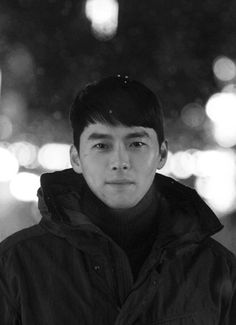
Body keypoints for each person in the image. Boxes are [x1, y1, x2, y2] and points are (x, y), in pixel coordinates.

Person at [0, 75, 235, 324]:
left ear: (162, 154)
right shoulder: (17, 266)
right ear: (76, 158)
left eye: (136, 143)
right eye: (102, 146)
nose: (120, 162)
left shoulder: (215, 270)